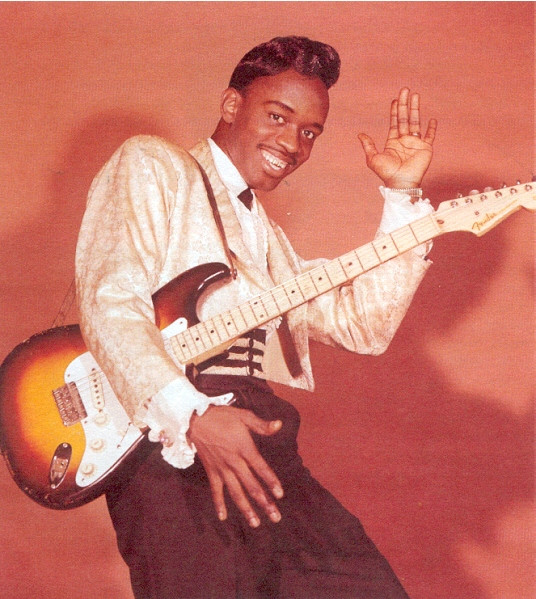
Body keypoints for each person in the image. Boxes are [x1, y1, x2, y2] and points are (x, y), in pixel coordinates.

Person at [76, 36, 437, 598]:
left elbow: (363, 325)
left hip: (261, 429)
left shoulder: (267, 237)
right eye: (278, 116)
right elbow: (110, 301)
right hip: (168, 434)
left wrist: (402, 195)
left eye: (310, 132)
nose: (292, 143)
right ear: (231, 104)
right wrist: (194, 417)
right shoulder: (154, 165)